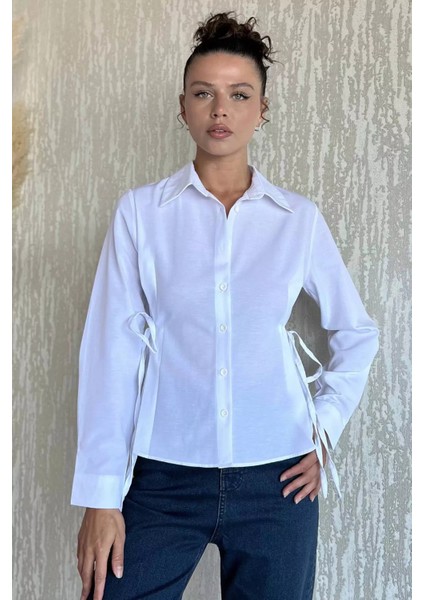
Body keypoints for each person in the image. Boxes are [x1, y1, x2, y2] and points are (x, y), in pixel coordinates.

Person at [71, 11, 379, 600]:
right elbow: (110, 354)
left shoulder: (298, 220)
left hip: (278, 482)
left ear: (261, 110)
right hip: (160, 478)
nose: (220, 110)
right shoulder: (141, 214)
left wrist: (325, 430)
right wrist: (100, 496)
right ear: (182, 107)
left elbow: (357, 333)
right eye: (203, 93)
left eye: (239, 95)